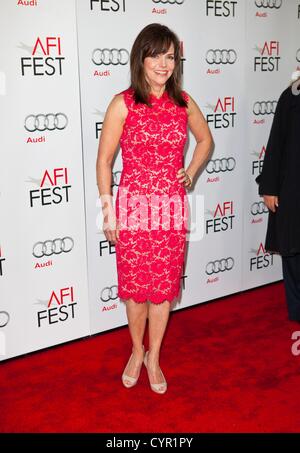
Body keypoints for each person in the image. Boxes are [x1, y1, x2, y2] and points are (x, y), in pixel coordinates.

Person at [96, 23, 213, 393]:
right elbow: (104, 162)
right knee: (135, 293)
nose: (163, 64)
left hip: (170, 210)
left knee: (162, 291)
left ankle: (154, 356)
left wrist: (190, 173)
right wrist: (108, 210)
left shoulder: (183, 103)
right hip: (132, 208)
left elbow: (206, 140)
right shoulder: (123, 103)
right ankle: (135, 350)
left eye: (170, 56)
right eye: (155, 56)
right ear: (140, 58)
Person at [256, 76, 300, 322]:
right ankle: (297, 309)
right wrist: (270, 187)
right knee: (293, 249)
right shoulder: (291, 96)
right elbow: (276, 143)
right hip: (293, 187)